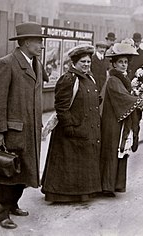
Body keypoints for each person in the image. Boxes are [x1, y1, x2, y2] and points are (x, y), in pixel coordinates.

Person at [0, 22, 48, 229]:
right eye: (38, 41)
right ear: (26, 42)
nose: (41, 45)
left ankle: (13, 204)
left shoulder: (36, 63)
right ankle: (0, 213)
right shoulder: (6, 63)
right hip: (13, 131)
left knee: (23, 171)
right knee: (6, 171)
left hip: (29, 129)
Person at [41, 45, 102, 203]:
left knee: (80, 164)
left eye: (89, 61)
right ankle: (62, 194)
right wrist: (69, 127)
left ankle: (81, 193)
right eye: (83, 61)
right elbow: (61, 106)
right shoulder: (69, 79)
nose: (87, 64)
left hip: (85, 129)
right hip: (71, 130)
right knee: (67, 163)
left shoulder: (89, 77)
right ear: (74, 62)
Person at [100, 40, 143, 197]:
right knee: (112, 150)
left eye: (126, 62)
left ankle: (115, 184)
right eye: (120, 62)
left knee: (120, 150)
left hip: (119, 119)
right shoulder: (113, 80)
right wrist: (139, 101)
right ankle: (107, 185)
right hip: (112, 121)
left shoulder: (122, 78)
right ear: (114, 64)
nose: (124, 65)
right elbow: (123, 97)